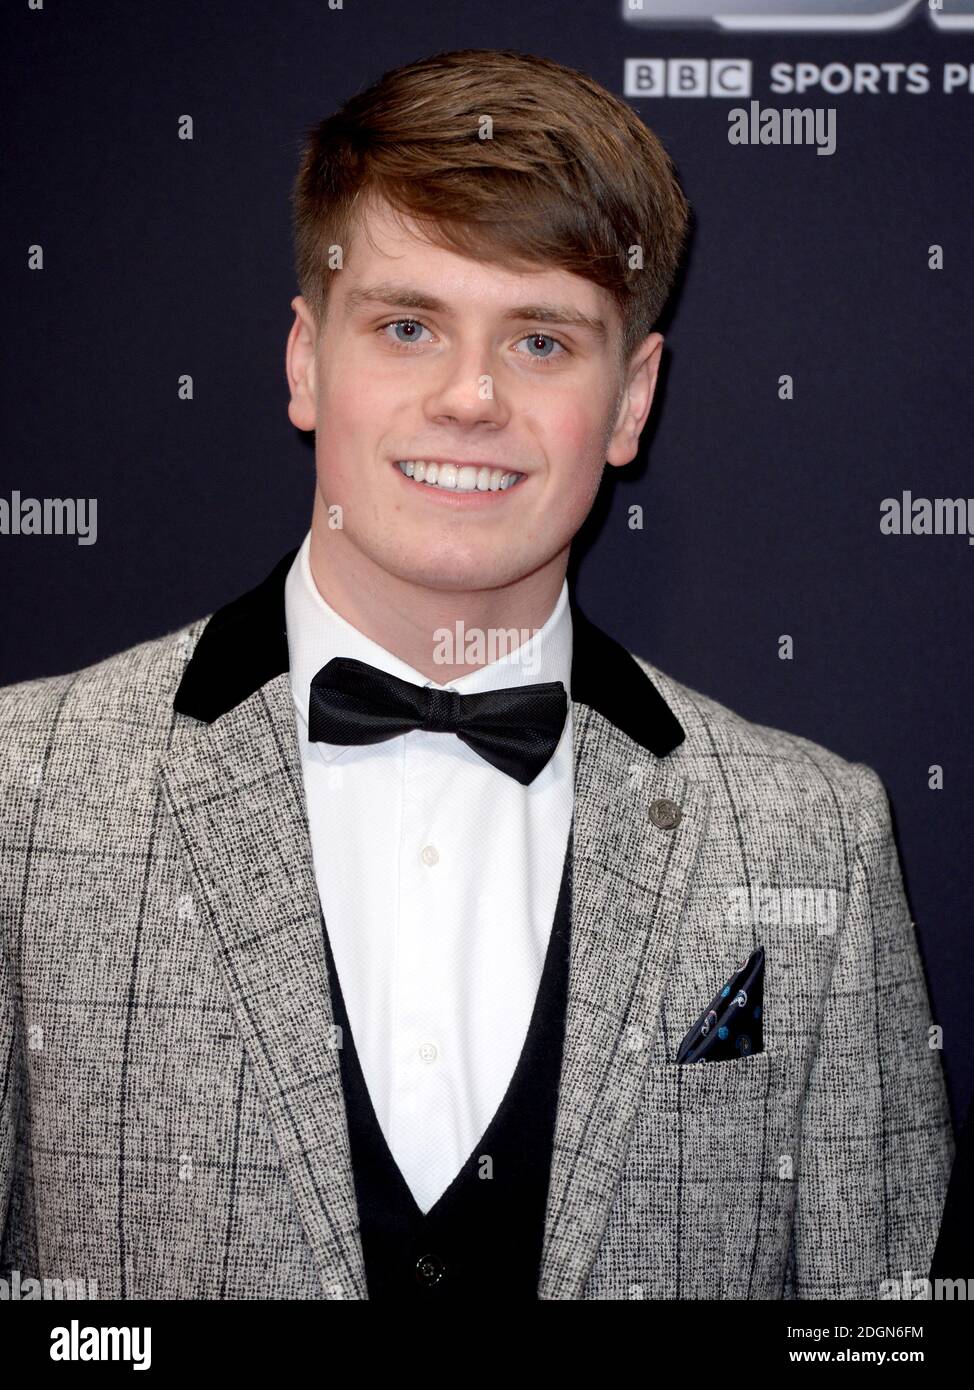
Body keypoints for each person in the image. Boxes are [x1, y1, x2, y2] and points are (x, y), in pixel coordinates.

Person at [0, 47, 953, 1301]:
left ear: (631, 399)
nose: (469, 397)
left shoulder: (808, 830)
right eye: (406, 326)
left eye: (543, 342)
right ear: (305, 361)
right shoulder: (24, 793)